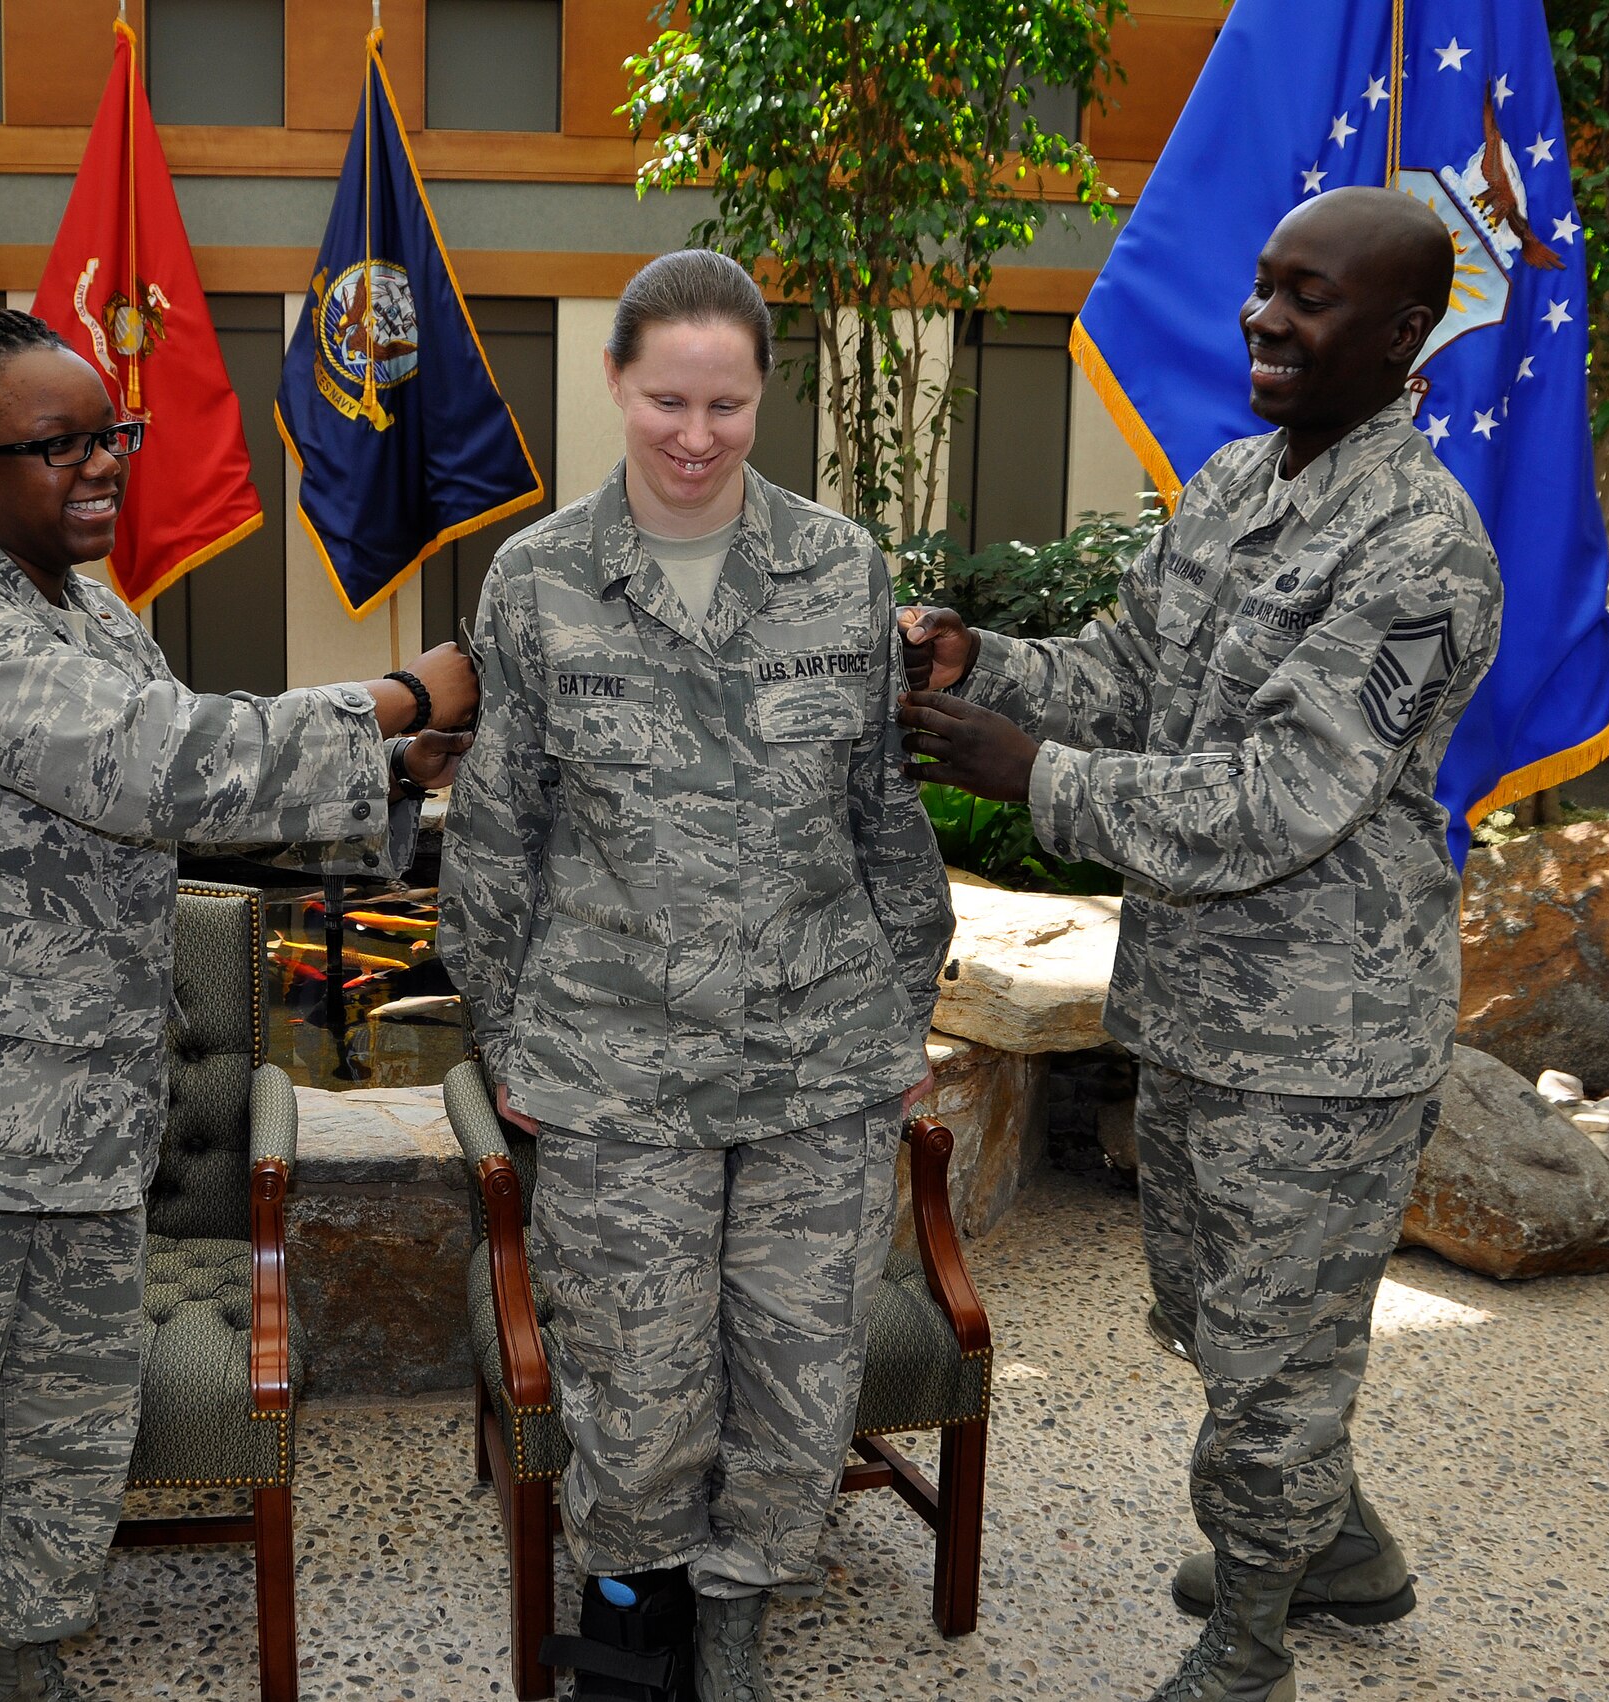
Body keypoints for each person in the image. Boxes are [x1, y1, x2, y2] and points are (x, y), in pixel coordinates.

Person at [0, 305, 477, 1702]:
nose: (103, 464)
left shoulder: (89, 612)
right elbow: (164, 764)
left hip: (73, 1144)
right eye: (58, 443)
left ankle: (27, 1666)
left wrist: (394, 772)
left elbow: (168, 812)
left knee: (57, 1450)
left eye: (110, 434)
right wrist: (397, 690)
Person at [899, 186, 1502, 1702]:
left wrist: (1027, 772)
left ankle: (1250, 1639)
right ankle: (1336, 1545)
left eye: (1309, 299)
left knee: (1272, 1364)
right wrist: (997, 668)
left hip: (1322, 1038)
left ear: (1405, 335)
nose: (1263, 318)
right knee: (1214, 1313)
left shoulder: (1424, 551)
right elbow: (1124, 673)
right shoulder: (1236, 484)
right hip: (1191, 1008)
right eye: (1261, 286)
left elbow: (1281, 797)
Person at [439, 249, 953, 1702]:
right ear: (614, 381)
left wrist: (906, 1007)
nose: (694, 434)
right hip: (614, 1069)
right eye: (667, 397)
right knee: (641, 1383)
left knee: (798, 1378)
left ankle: (738, 1613)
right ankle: (633, 1602)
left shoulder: (842, 567)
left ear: (761, 396)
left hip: (819, 1064)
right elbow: (497, 834)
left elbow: (881, 812)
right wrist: (508, 1039)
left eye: (727, 404)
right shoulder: (538, 578)